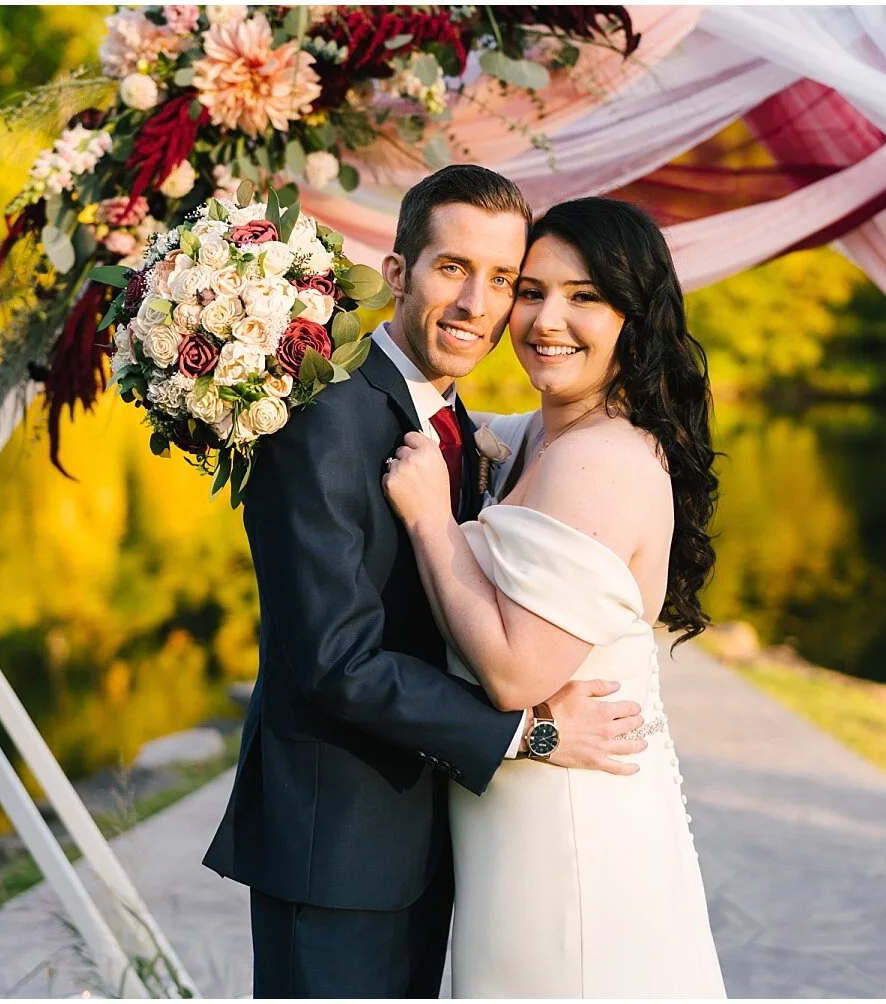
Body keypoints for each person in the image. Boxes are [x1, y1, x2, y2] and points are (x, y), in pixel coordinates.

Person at [201, 167, 648, 999]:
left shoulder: (457, 424)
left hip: (429, 838)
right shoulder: (322, 418)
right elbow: (336, 660)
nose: (477, 304)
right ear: (399, 272)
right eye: (452, 269)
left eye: (502, 280)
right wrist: (533, 734)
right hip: (336, 846)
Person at [383, 196, 727, 997]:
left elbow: (514, 675)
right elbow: (427, 407)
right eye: (530, 290)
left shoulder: (601, 459)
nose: (546, 320)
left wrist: (434, 521)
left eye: (585, 298)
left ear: (633, 319)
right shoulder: (541, 434)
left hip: (570, 838)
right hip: (520, 823)